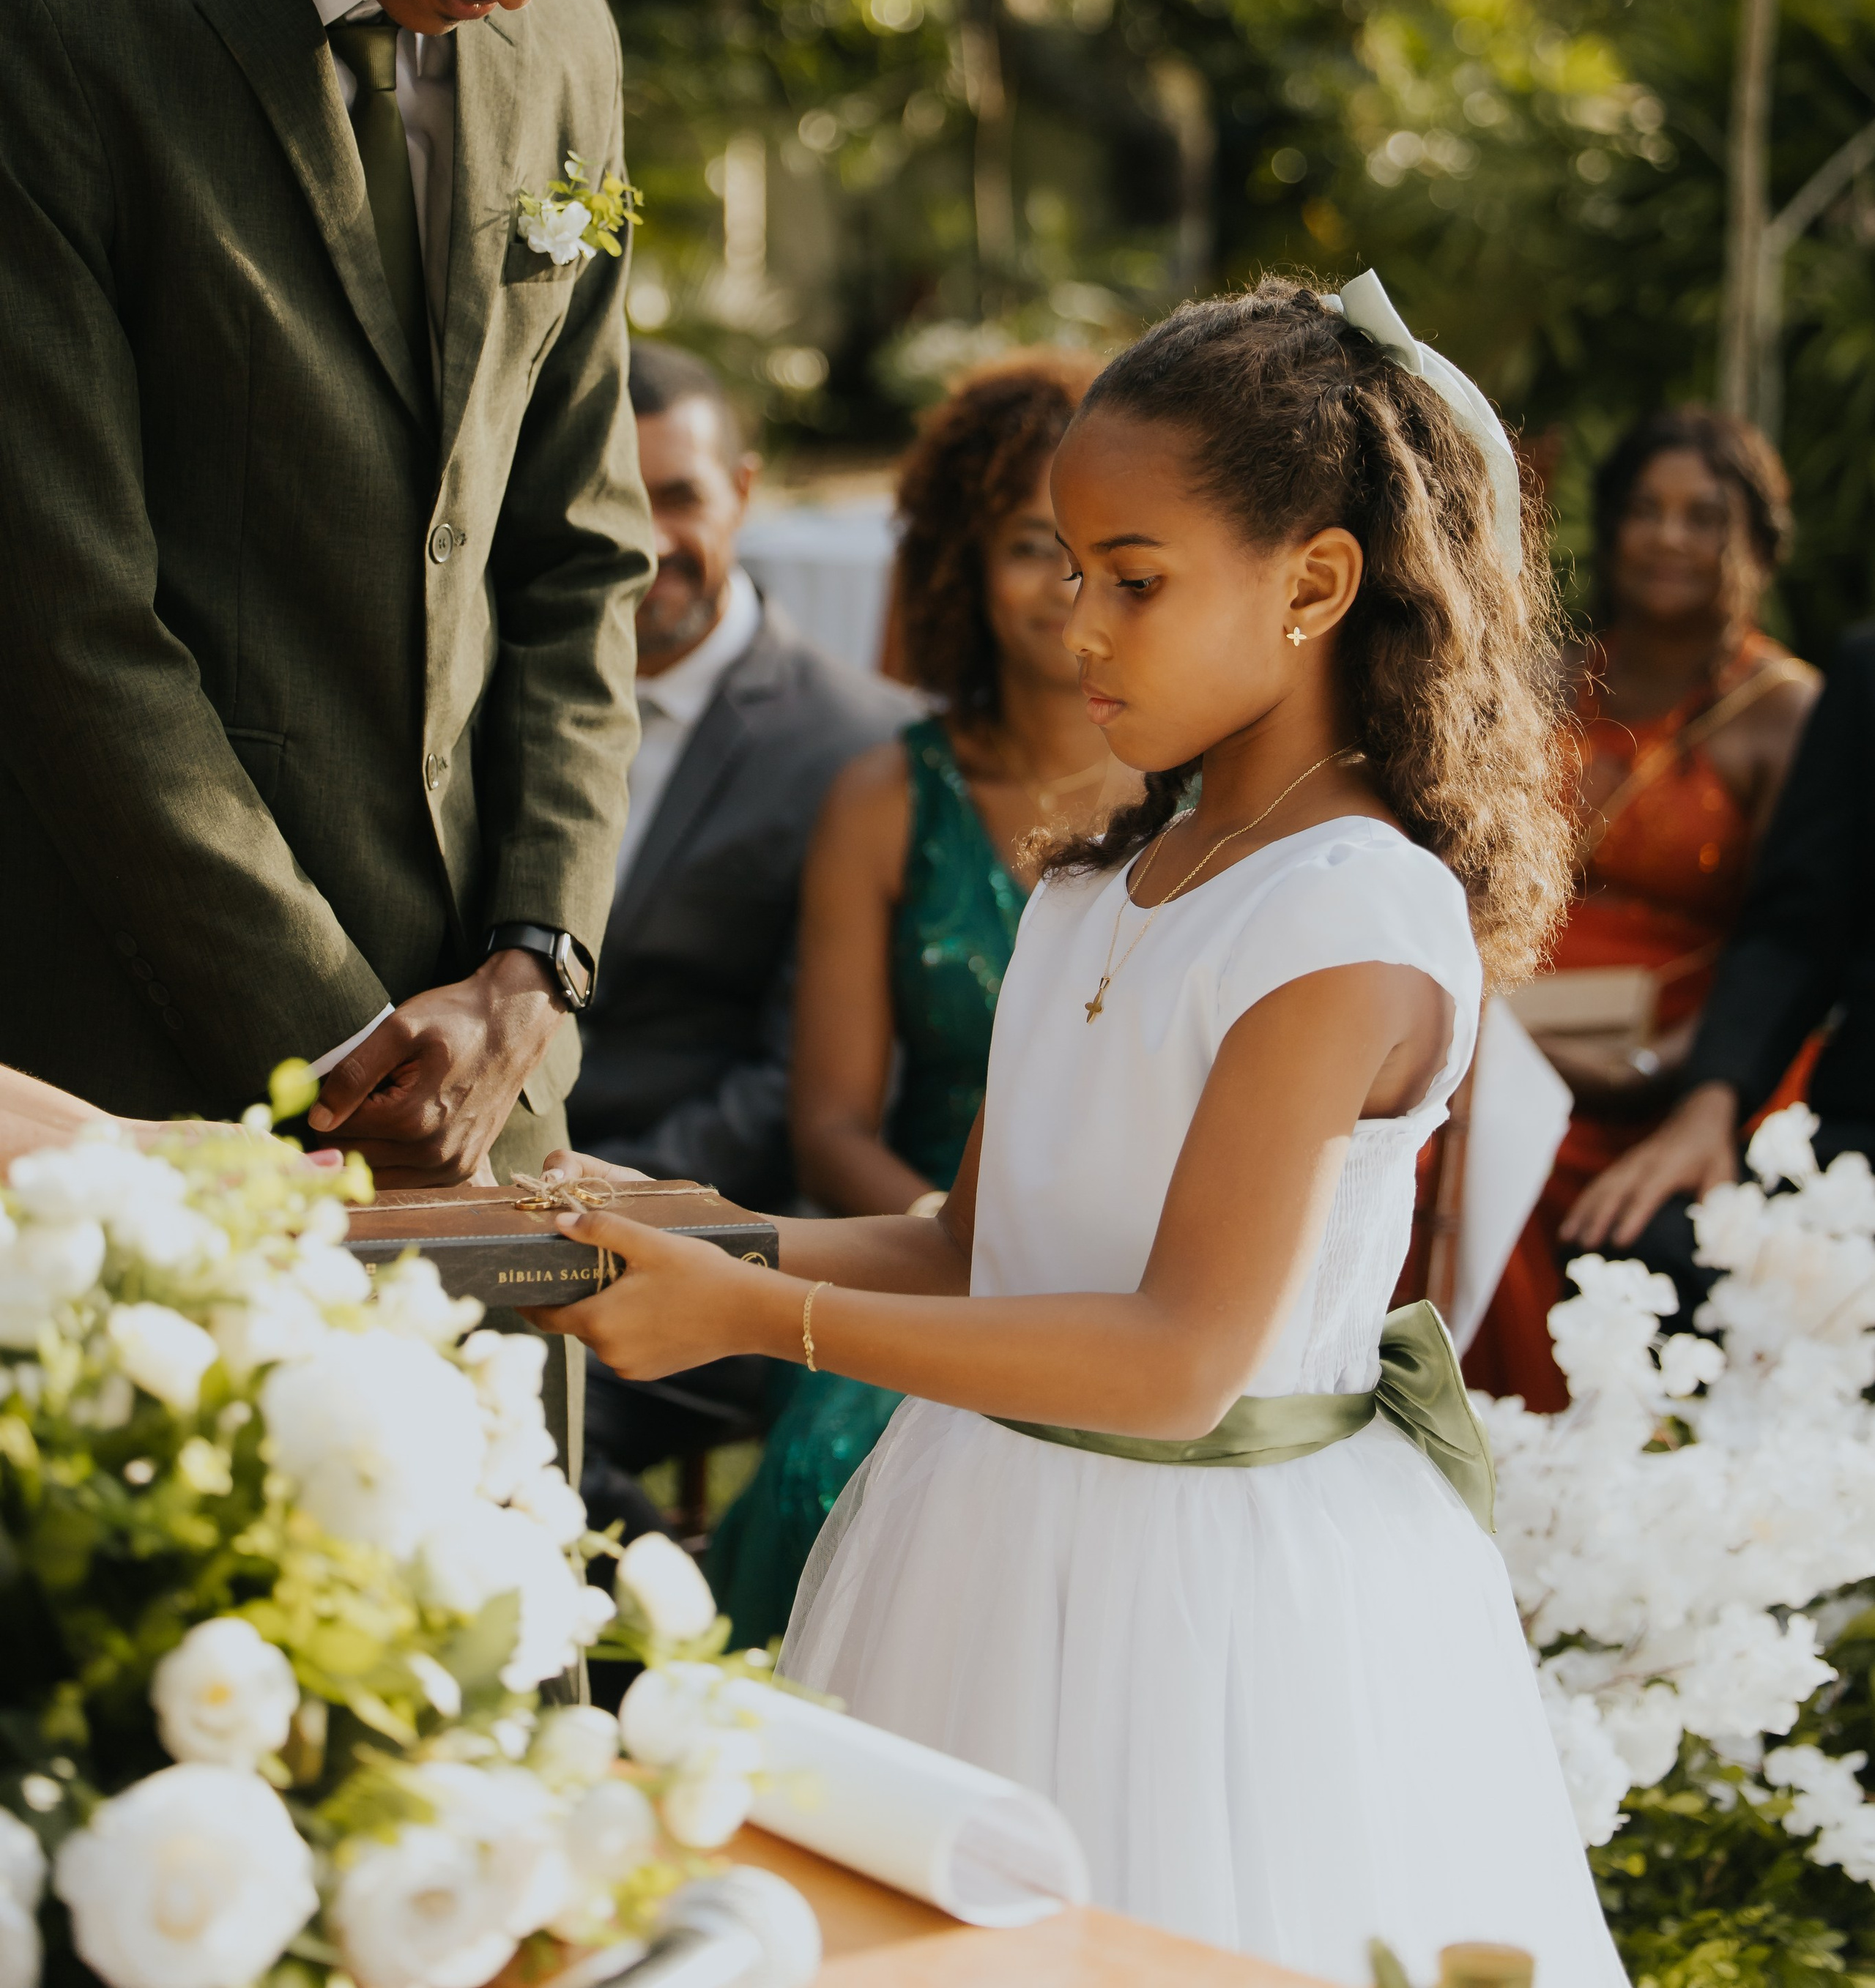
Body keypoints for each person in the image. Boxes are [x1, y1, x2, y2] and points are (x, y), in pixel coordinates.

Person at [532, 273, 1623, 1984]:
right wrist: (701, 1232)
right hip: (978, 1525)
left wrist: (752, 1312)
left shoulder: (1345, 914)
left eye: (1132, 577)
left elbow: (1178, 1358)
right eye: (1060, 564)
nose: (1075, 621)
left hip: (1209, 1594)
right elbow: (970, 1249)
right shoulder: (1097, 883)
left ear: (1312, 584)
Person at [0, 0, 678, 1462]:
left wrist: (535, 969)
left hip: (495, 1084)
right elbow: (69, 630)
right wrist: (361, 1050)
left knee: (504, 1605)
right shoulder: (54, 25)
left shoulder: (567, 45)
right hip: (158, 1091)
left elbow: (581, 553)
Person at [707, 353, 1103, 1647]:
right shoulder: (887, 798)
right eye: (1030, 547)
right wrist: (959, 1245)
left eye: (1102, 554)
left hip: (1144, 1277)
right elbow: (829, 1125)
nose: (1068, 588)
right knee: (836, 1477)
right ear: (959, 566)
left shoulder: (1211, 807)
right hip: (922, 1246)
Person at [570, 341, 916, 1522]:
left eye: (679, 496)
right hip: (490, 1195)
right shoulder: (496, 701)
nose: (647, 537)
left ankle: (655, 1626)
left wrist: (604, 1208)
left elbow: (791, 1085)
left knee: (502, 1408)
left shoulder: (857, 747)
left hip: (722, 1236)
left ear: (746, 491)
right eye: (614, 496)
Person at [1465, 409, 1816, 1409]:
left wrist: (1661, 1067)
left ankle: (1539, 1439)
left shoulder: (1788, 713)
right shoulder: (1543, 681)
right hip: (1510, 1019)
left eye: (1703, 516)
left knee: (1503, 1149)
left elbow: (1787, 939)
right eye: (1646, 510)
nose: (1669, 536)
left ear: (1754, 542)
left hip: (1669, 1063)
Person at [1561, 619, 1875, 1299]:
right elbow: (1795, 934)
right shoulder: (1867, 669)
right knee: (1632, 1241)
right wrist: (1709, 1106)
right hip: (1861, 1142)